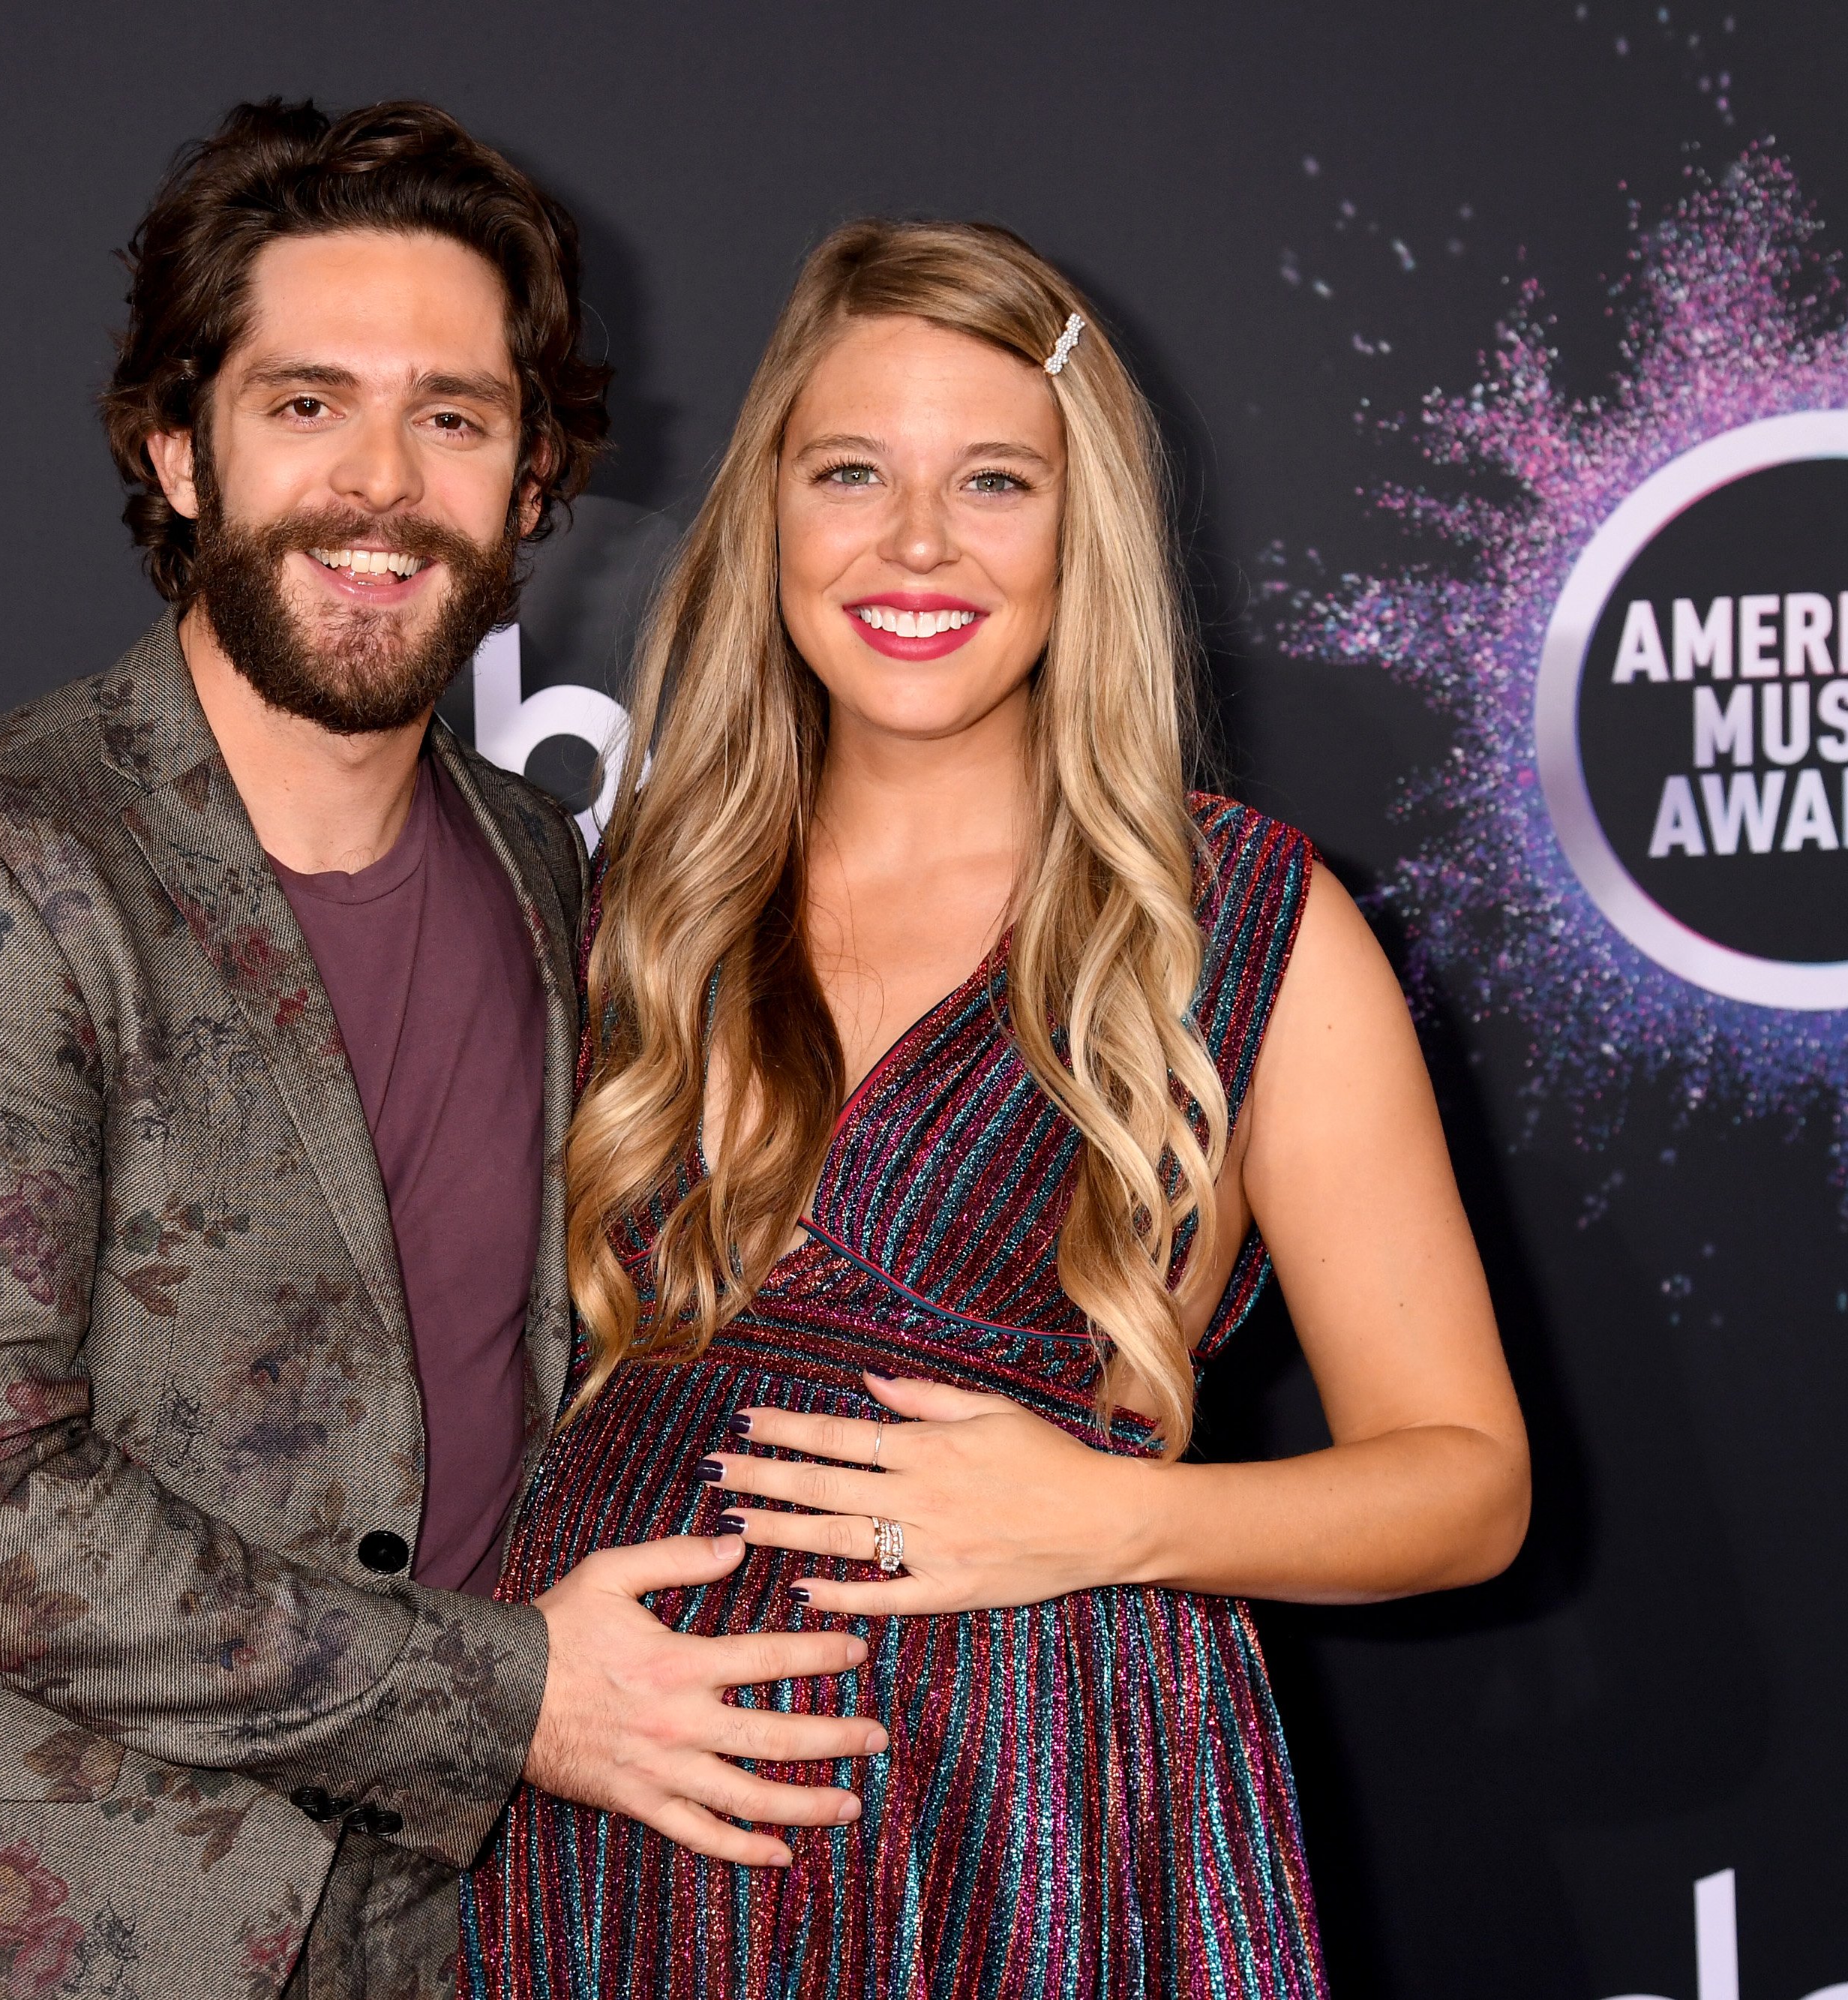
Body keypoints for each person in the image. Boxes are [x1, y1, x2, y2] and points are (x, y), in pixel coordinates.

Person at [0, 101, 880, 2000]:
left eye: (452, 416)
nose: (381, 485)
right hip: (41, 1930)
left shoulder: (534, 862)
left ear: (531, 482)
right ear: (175, 451)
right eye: (303, 406)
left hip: (452, 1927)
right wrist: (513, 1697)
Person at [463, 219, 1532, 1997]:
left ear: (1080, 528)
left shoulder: (1239, 924)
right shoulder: (634, 901)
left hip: (1032, 1824)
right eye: (851, 471)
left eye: (992, 481)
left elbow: (1464, 1486)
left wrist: (1106, 1517)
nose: (914, 544)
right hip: (606, 1843)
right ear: (770, 516)